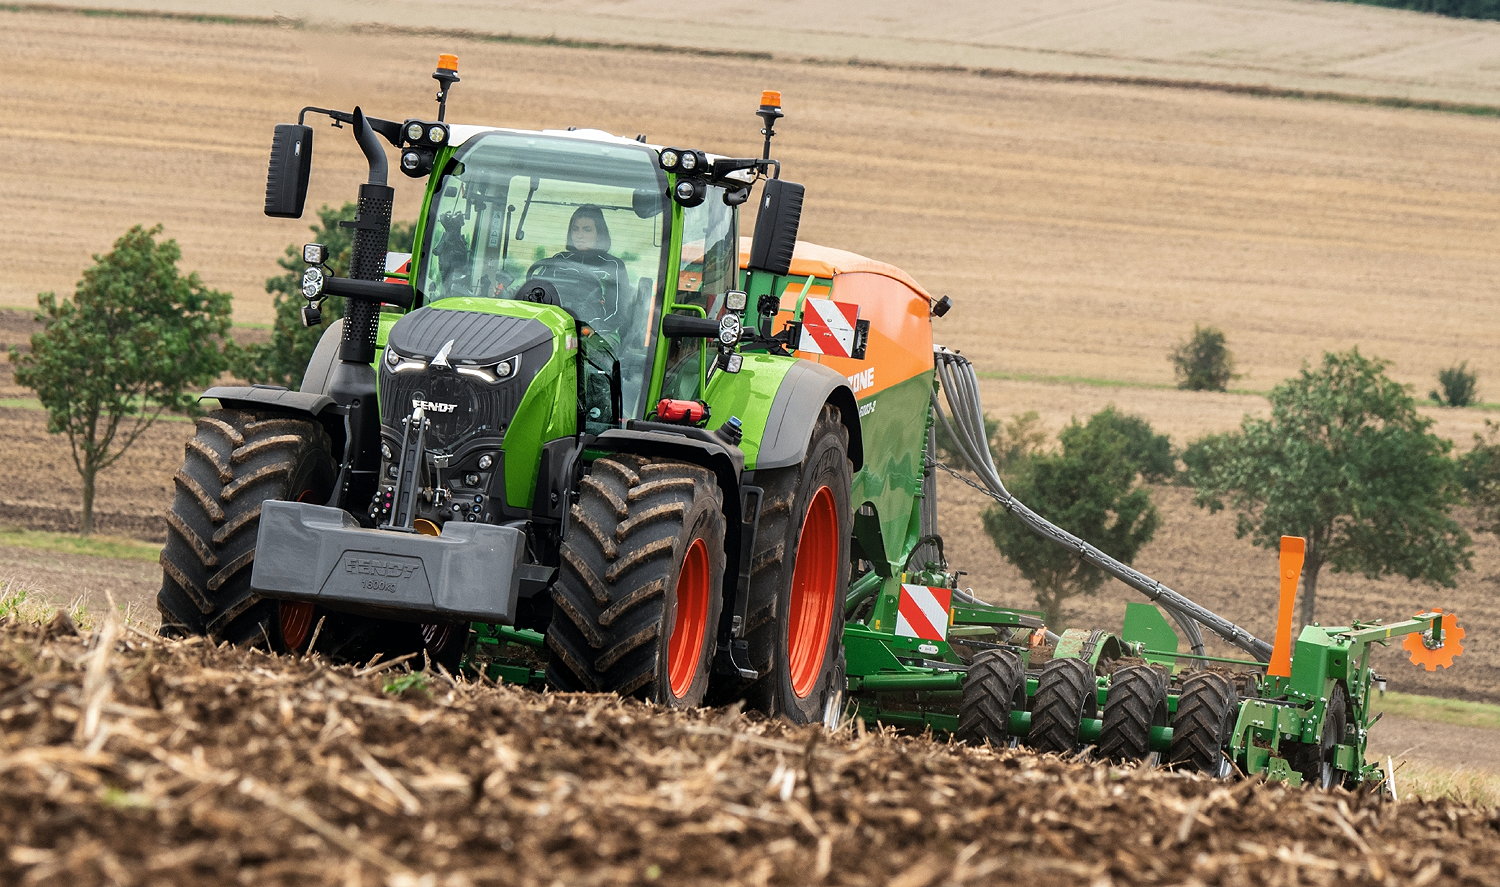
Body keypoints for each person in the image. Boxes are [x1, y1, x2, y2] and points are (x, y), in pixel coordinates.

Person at [520, 205, 629, 323]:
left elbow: (618, 312)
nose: (579, 235)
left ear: (599, 234)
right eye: (575, 229)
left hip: (599, 334)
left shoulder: (613, 266)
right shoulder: (559, 260)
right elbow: (538, 293)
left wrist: (593, 328)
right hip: (558, 326)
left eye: (587, 230)